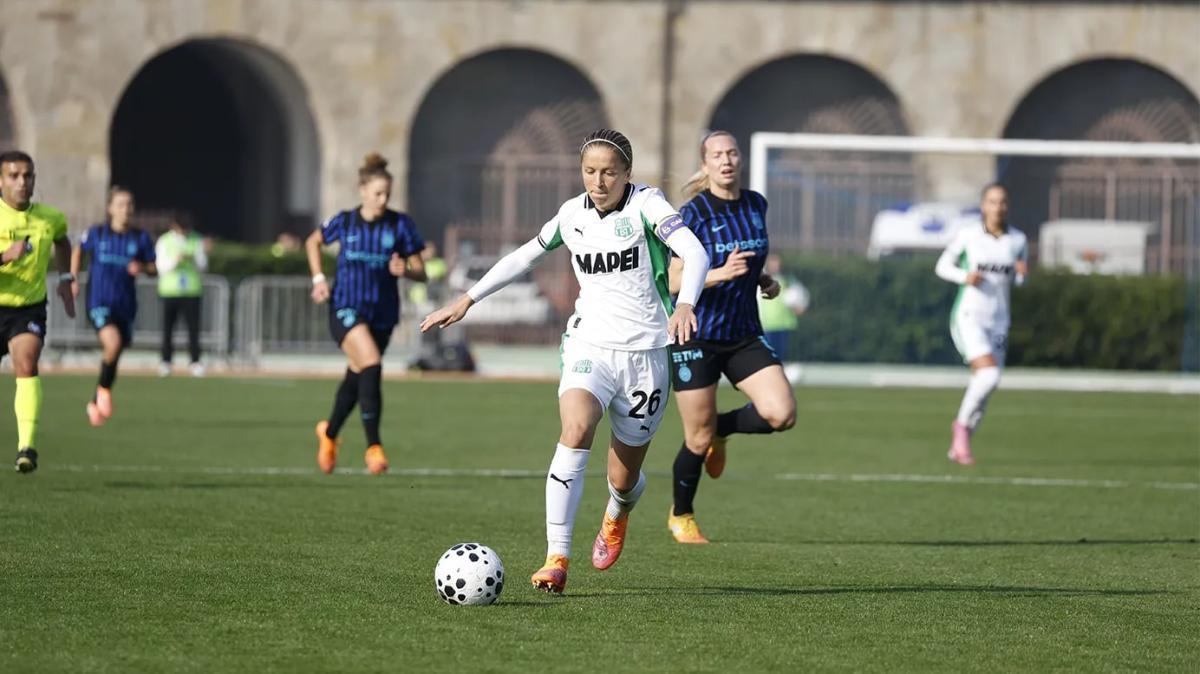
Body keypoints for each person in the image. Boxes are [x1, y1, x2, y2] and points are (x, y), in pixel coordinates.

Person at [421, 129, 710, 594]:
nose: (599, 181)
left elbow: (695, 251)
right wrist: (468, 299)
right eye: (590, 171)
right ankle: (557, 557)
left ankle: (617, 512)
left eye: (609, 173)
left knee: (624, 476)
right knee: (575, 430)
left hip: (646, 354)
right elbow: (524, 257)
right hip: (588, 345)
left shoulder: (648, 205)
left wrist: (686, 303)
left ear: (627, 174)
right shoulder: (571, 215)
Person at [665, 130, 797, 544]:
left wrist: (764, 280)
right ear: (705, 165)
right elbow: (672, 281)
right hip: (696, 336)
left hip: (742, 334)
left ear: (740, 159)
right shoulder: (693, 213)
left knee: (781, 413)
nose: (726, 160)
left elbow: (749, 260)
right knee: (695, 437)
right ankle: (681, 516)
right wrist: (721, 273)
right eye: (716, 155)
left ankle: (722, 428)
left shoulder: (756, 204)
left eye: (732, 153)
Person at [306, 152, 427, 476]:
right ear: (362, 191)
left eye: (387, 194)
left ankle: (329, 433)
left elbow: (422, 271)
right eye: (377, 194)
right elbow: (313, 241)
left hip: (383, 314)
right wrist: (319, 280)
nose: (382, 199)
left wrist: (406, 270)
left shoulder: (400, 224)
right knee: (372, 363)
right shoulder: (345, 221)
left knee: (358, 375)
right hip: (346, 307)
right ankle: (374, 447)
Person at [935, 183, 1027, 465]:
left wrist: (1022, 275)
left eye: (1002, 202)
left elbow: (1019, 280)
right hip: (968, 316)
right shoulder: (969, 236)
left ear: (1007, 206)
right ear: (983, 205)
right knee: (989, 376)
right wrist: (965, 276)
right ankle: (960, 430)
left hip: (998, 320)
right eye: (992, 201)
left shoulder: (1017, 241)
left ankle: (959, 446)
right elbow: (941, 266)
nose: (997, 207)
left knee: (985, 386)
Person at [0, 150, 75, 473]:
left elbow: (63, 242)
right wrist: (5, 256)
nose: (22, 182)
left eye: (28, 175)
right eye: (14, 176)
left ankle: (26, 447)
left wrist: (66, 278)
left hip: (27, 309)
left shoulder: (50, 218)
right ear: (1, 181)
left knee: (26, 362)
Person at [71, 186, 156, 426]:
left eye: (129, 204)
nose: (126, 209)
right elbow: (78, 250)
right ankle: (104, 392)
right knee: (113, 343)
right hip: (100, 302)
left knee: (115, 352)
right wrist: (73, 277)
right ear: (110, 208)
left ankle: (97, 397)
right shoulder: (97, 234)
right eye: (120, 204)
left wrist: (142, 267)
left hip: (126, 306)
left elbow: (153, 267)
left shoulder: (140, 238)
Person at [156, 212, 208, 377]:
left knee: (193, 329)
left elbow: (203, 266)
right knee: (168, 329)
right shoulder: (164, 241)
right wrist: (176, 260)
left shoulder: (196, 239)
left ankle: (195, 361)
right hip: (170, 291)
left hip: (191, 291)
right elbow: (161, 267)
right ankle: (166, 361)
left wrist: (192, 259)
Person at [756, 253, 809, 361]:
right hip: (764, 325)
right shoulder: (759, 279)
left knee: (779, 355)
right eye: (772, 262)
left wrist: (799, 307)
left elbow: (800, 298)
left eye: (777, 262)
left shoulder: (788, 280)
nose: (776, 265)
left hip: (783, 324)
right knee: (765, 355)